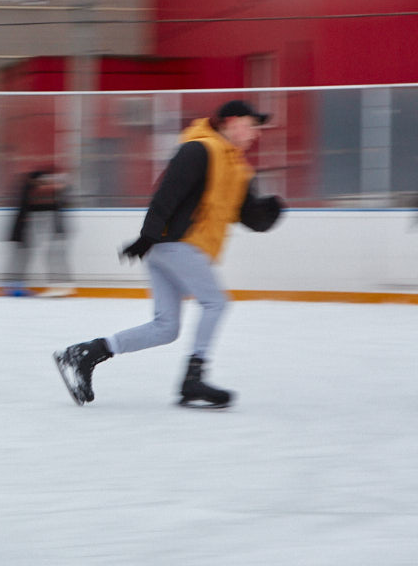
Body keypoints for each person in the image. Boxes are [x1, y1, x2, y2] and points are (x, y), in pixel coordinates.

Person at [54, 100, 284, 409]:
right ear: (230, 121)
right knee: (216, 301)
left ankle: (85, 353)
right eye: (251, 123)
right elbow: (167, 193)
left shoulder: (238, 169)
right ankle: (193, 379)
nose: (255, 131)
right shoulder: (200, 149)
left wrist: (267, 213)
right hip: (177, 243)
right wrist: (147, 235)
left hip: (171, 248)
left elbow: (247, 216)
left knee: (166, 328)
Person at [6, 168, 71, 296]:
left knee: (21, 259)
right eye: (39, 181)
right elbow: (36, 206)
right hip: (21, 232)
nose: (42, 184)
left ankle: (15, 286)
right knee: (21, 260)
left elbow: (38, 206)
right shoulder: (28, 192)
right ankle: (14, 287)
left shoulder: (28, 191)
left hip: (22, 232)